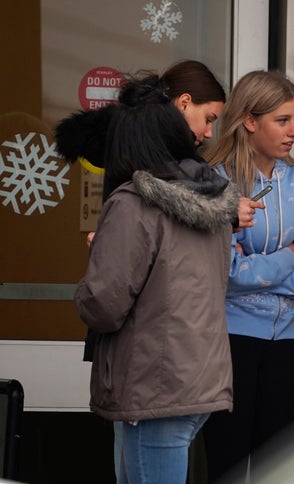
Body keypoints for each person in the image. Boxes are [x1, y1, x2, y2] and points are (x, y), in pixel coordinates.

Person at [58, 75, 239, 484]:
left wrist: (94, 267)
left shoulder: (132, 204)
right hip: (195, 377)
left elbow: (103, 304)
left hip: (152, 386)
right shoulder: (212, 197)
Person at [55, 59, 234, 362]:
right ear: (185, 102)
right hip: (157, 343)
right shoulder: (171, 165)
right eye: (208, 118)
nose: (208, 132)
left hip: (144, 341)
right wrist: (224, 211)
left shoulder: (127, 138)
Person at [201, 70, 294, 483]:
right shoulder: (213, 181)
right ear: (249, 120)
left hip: (286, 342)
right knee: (228, 464)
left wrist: (261, 269)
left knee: (280, 467)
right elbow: (226, 270)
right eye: (283, 120)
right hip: (228, 341)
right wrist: (284, 257)